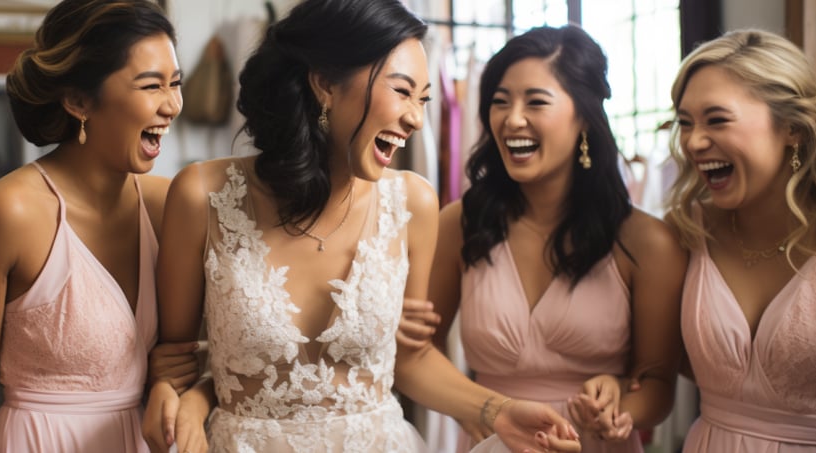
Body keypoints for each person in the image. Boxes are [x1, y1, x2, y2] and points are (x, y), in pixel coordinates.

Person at [145, 1, 582, 452]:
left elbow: (410, 361)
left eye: (423, 99)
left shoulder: (413, 203)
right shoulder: (202, 195)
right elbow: (176, 365)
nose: (415, 117)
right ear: (325, 84)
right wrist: (181, 400)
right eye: (401, 91)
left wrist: (497, 410)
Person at [427, 25, 687, 452]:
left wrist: (618, 405)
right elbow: (422, 351)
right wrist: (473, 407)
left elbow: (657, 385)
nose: (512, 119)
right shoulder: (461, 223)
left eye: (536, 101)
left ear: (583, 114)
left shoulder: (647, 242)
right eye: (499, 102)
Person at [0, 0, 186, 451]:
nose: (172, 105)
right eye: (151, 86)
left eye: (176, 84)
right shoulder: (9, 213)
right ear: (78, 100)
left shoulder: (169, 206)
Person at [665, 29, 816, 451]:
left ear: (792, 127)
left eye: (717, 119)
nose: (693, 142)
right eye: (685, 123)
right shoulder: (685, 232)